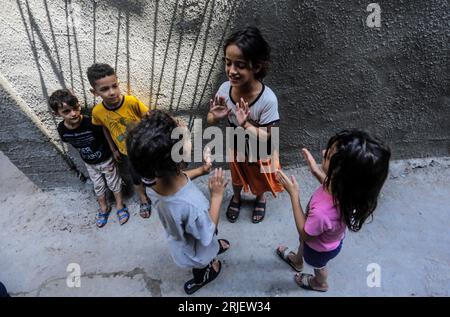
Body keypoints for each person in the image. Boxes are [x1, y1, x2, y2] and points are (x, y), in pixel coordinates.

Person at [126, 110, 230, 295]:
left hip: (181, 239)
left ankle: (213, 251)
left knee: (209, 240)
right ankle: (202, 277)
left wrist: (201, 170)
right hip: (196, 252)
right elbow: (208, 232)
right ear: (179, 159)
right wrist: (216, 196)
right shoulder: (192, 205)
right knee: (206, 254)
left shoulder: (152, 180)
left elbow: (177, 177)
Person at [276, 130, 391, 292]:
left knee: (319, 266)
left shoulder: (322, 213)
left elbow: (305, 234)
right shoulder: (350, 193)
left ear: (340, 175)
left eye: (328, 156)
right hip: (325, 237)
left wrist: (294, 194)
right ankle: (297, 260)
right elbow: (330, 186)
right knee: (303, 244)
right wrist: (316, 170)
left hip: (318, 248)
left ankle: (319, 283)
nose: (323, 152)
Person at [207, 26, 283, 224]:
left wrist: (246, 124)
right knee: (237, 174)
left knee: (261, 176)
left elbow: (269, 136)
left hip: (261, 146)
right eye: (228, 63)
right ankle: (237, 196)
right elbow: (210, 119)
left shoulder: (267, 100)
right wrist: (215, 117)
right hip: (237, 141)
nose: (231, 71)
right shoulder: (225, 89)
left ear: (256, 67)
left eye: (239, 65)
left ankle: (260, 197)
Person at [49, 89, 125, 227]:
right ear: (57, 114)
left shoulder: (91, 123)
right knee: (98, 186)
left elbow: (105, 133)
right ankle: (104, 207)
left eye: (75, 108)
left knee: (113, 182)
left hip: (106, 159)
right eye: (66, 111)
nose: (73, 113)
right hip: (89, 163)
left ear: (79, 105)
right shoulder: (62, 130)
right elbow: (71, 143)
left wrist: (114, 150)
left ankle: (119, 205)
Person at [87, 63, 152, 221]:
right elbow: (105, 129)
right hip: (126, 152)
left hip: (145, 147)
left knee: (153, 172)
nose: (111, 92)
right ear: (94, 92)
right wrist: (113, 149)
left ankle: (163, 192)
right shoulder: (97, 112)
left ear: (118, 83)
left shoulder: (131, 102)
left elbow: (148, 118)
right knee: (135, 177)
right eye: (104, 89)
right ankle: (143, 199)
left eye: (114, 86)